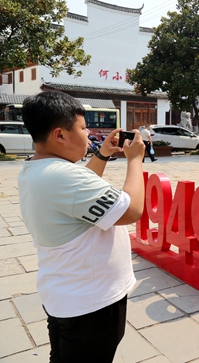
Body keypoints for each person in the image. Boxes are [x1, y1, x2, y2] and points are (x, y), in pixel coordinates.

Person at [18, 91, 146, 363]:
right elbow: (132, 209)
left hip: (66, 295)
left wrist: (103, 154)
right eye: (83, 127)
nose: (89, 134)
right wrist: (135, 160)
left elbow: (79, 194)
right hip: (92, 304)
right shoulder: (65, 176)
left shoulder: (37, 168)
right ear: (60, 135)